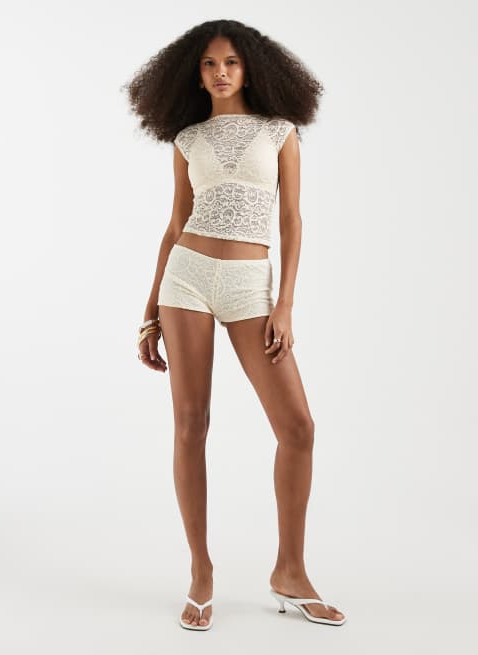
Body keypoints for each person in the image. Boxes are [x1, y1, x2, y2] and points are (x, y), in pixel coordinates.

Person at [124, 19, 346, 630]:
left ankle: (290, 571)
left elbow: (292, 221)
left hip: (252, 286)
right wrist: (149, 311)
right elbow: (176, 225)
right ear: (194, 75)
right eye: (208, 64)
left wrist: (285, 304)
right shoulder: (187, 139)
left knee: (297, 428)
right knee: (191, 424)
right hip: (187, 280)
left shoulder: (280, 132)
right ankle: (201, 572)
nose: (219, 73)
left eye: (230, 63)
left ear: (251, 69)